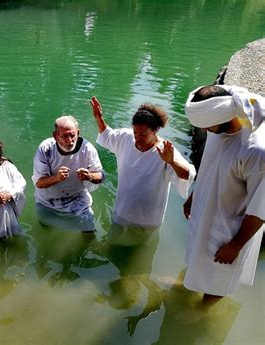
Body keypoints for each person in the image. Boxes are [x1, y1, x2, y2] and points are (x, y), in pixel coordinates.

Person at [183, 85, 264, 303]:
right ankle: (188, 289)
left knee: (218, 276)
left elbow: (261, 205)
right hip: (206, 211)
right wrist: (193, 194)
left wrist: (236, 245)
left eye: (205, 125)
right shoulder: (217, 128)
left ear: (220, 115)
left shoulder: (255, 150)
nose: (203, 129)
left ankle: (202, 313)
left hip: (229, 228)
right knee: (197, 260)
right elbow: (212, 163)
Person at [90, 97, 195, 243]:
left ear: (156, 130)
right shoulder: (126, 138)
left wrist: (171, 161)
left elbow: (188, 175)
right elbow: (107, 135)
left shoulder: (165, 151)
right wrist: (99, 118)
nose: (138, 138)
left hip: (147, 220)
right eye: (135, 133)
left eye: (144, 135)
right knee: (113, 245)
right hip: (122, 212)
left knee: (140, 256)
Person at [32, 115, 104, 232]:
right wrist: (57, 178)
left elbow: (100, 176)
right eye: (65, 136)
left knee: (90, 230)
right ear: (55, 136)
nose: (69, 141)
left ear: (78, 133)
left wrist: (90, 176)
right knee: (45, 229)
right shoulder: (46, 149)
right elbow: (39, 183)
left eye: (72, 135)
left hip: (78, 200)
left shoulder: (87, 149)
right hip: (47, 202)